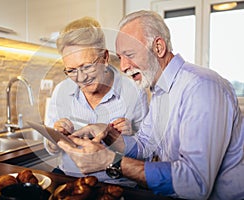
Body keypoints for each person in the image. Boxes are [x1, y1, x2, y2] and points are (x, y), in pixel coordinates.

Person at [57, 10, 244, 199]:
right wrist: (108, 134)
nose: (123, 67)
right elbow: (144, 145)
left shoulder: (202, 87)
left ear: (159, 47)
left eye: (129, 54)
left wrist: (110, 162)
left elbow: (194, 182)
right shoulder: (161, 91)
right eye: (120, 57)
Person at [44, 16, 148, 187]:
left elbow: (147, 154)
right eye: (71, 70)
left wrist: (129, 137)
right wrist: (54, 139)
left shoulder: (134, 92)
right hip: (69, 179)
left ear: (105, 58)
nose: (81, 77)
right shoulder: (61, 91)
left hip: (116, 184)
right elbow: (50, 147)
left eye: (87, 66)